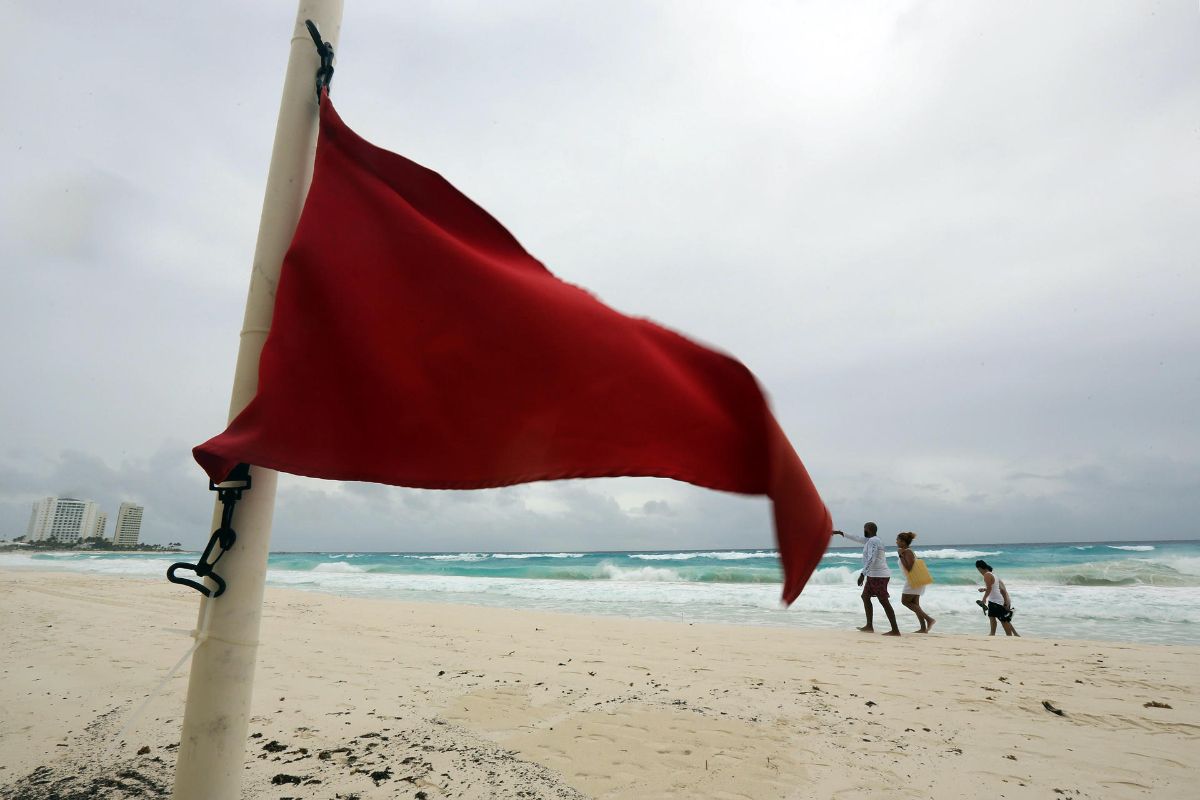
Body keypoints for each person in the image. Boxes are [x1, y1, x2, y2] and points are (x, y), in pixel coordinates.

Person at [833, 522, 900, 636]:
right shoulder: (871, 540)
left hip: (879, 576)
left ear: (868, 529)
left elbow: (872, 558)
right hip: (873, 575)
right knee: (865, 597)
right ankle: (869, 626)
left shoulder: (874, 541)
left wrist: (862, 574)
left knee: (883, 601)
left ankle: (895, 630)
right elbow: (857, 538)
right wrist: (840, 533)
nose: (863, 531)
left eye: (864, 529)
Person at [896, 531, 935, 633]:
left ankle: (929, 620)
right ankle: (923, 628)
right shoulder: (906, 551)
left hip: (912, 580)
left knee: (905, 601)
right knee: (915, 604)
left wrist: (900, 555)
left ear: (903, 542)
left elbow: (909, 568)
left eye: (898, 540)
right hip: (916, 580)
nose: (896, 542)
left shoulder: (907, 552)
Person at [975, 559, 1019, 637]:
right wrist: (984, 589)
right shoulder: (994, 575)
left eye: (978, 570)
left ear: (979, 568)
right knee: (995, 617)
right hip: (998, 599)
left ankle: (1009, 635)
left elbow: (995, 589)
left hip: (998, 600)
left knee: (1003, 620)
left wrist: (984, 598)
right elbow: (994, 588)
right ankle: (994, 634)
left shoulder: (987, 575)